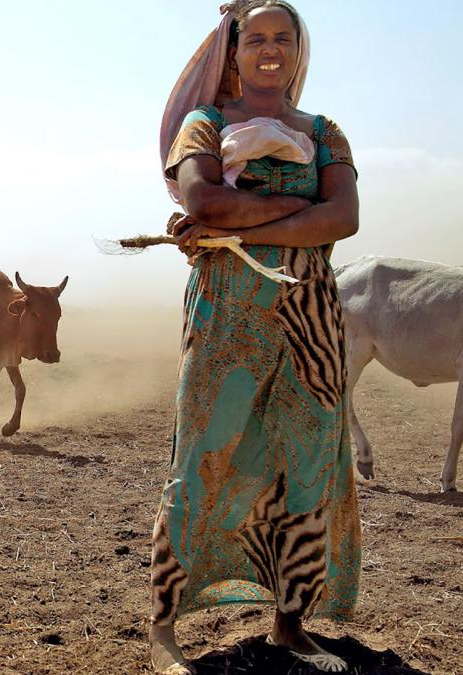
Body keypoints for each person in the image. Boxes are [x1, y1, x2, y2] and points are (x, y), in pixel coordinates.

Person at [148, 2, 361, 673]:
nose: (269, 50)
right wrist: (304, 212)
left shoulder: (326, 131)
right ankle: (163, 631)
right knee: (204, 454)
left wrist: (243, 222)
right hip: (228, 317)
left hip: (311, 322)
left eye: (283, 38)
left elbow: (346, 217)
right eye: (256, 39)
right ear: (233, 55)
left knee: (307, 461)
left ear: (300, 51)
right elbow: (203, 204)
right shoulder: (204, 125)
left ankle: (289, 623)